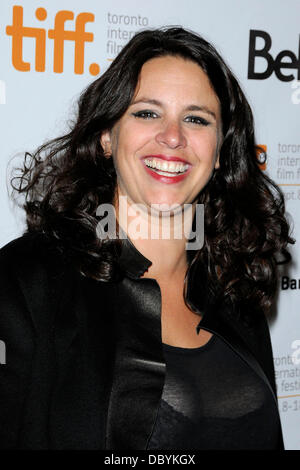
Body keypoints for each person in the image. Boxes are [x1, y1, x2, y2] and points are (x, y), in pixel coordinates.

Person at [0, 26, 294, 450]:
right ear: (106, 136)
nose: (173, 137)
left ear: (218, 153)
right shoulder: (29, 281)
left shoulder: (234, 284)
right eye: (147, 113)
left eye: (196, 119)